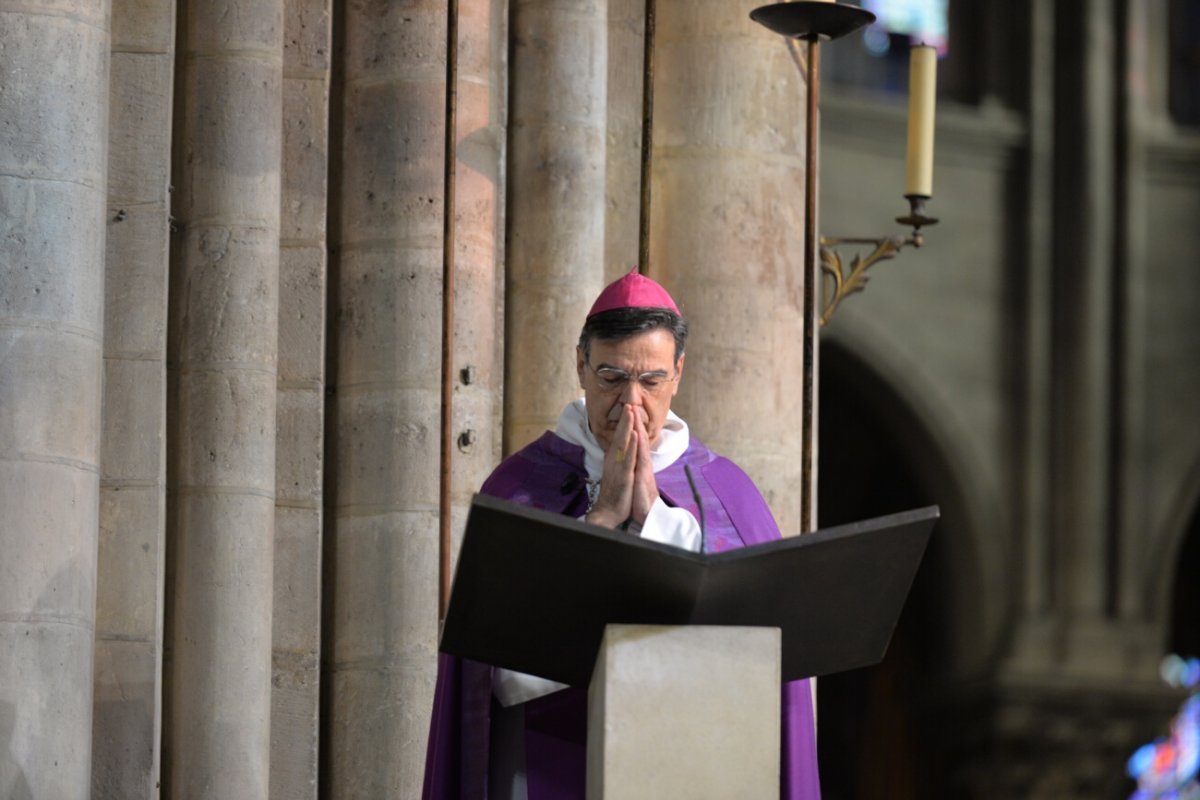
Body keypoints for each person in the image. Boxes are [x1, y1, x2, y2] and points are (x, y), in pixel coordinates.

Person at [422, 270, 821, 800]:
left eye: (651, 381)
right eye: (611, 377)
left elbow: (755, 657)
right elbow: (495, 670)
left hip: (692, 768)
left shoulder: (727, 494)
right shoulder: (520, 487)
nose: (631, 403)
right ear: (581, 366)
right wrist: (602, 523)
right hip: (543, 766)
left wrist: (654, 513)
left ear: (678, 373)